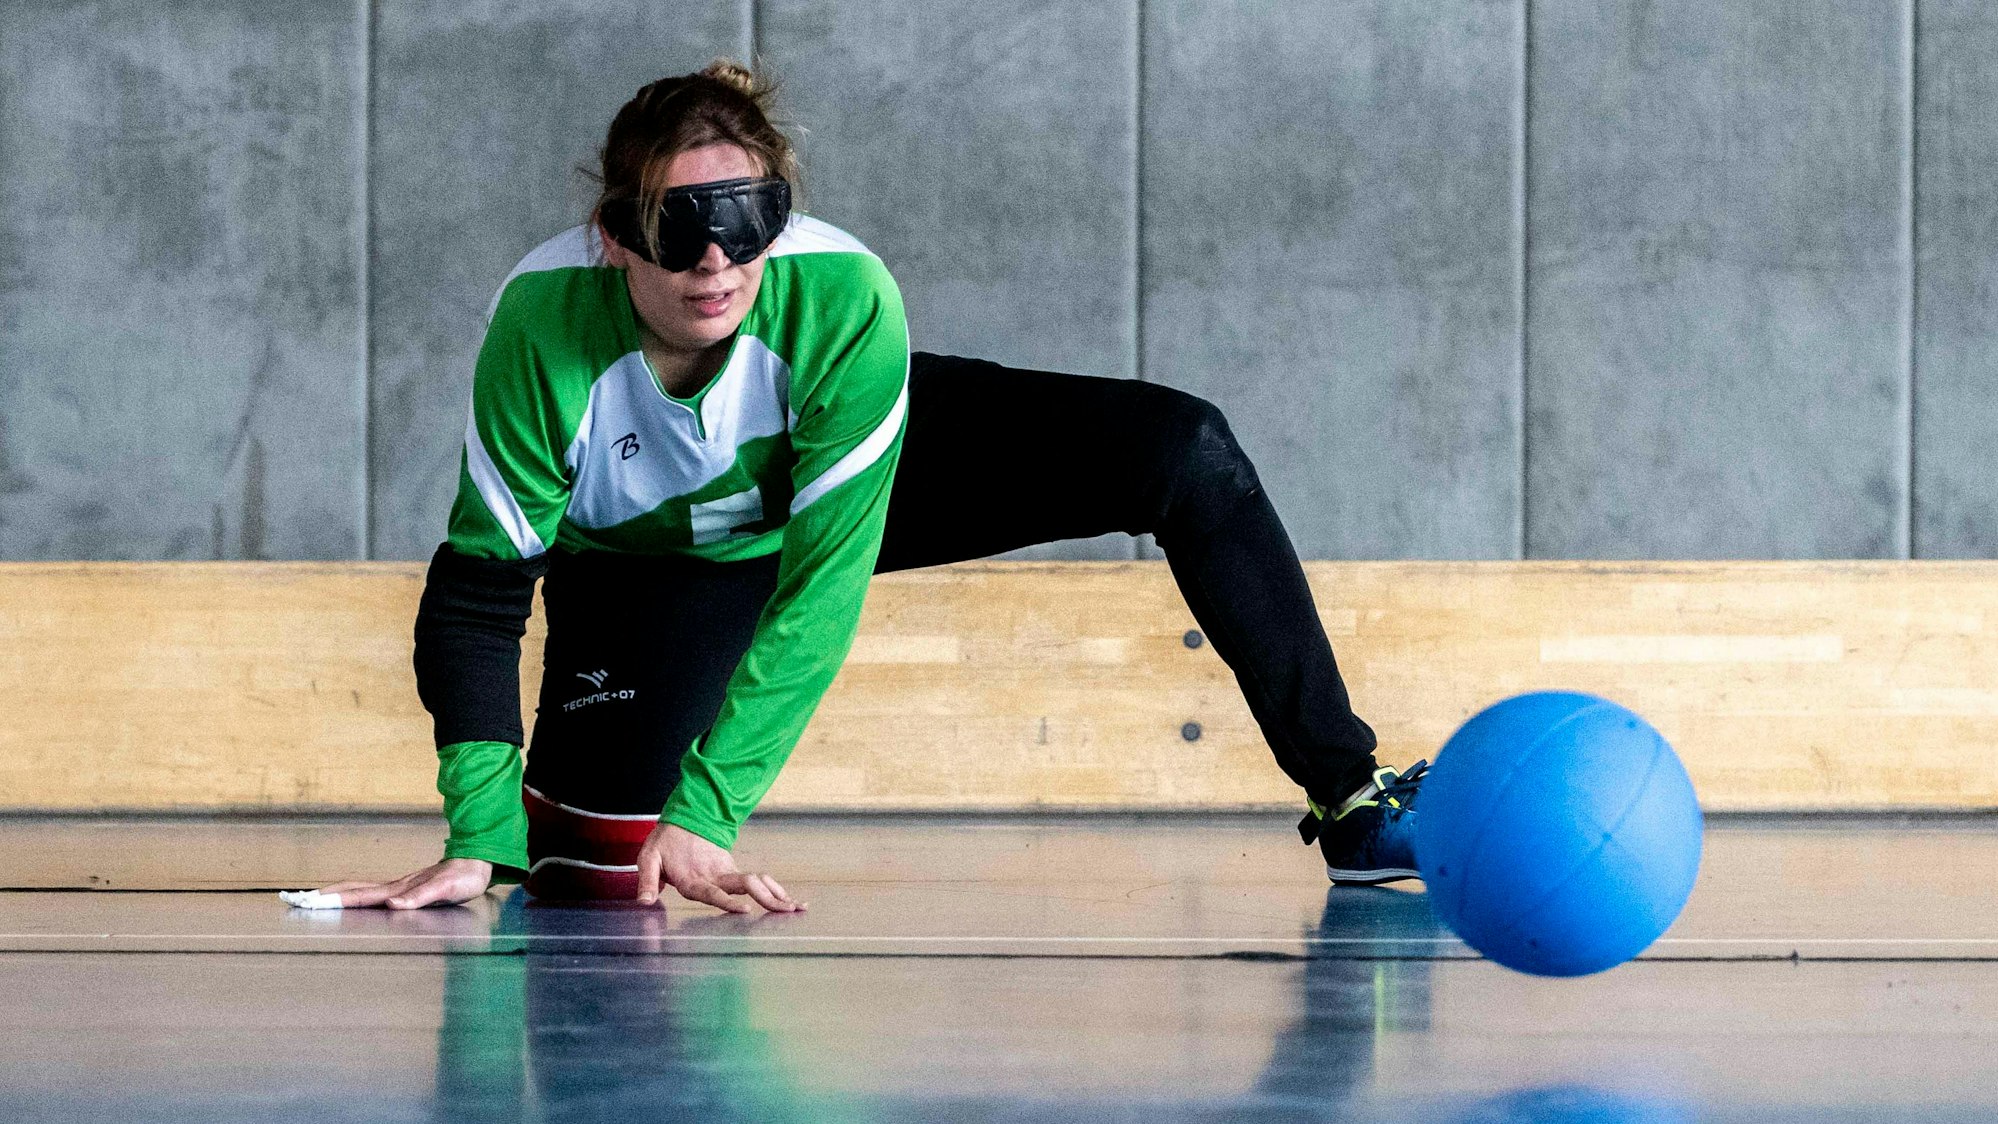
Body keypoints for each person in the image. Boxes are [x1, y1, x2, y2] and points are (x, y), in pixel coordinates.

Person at [298, 60, 1426, 914]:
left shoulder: (842, 299)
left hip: (821, 481)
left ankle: (1350, 796)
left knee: (1183, 448)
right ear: (612, 238)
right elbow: (482, 594)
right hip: (647, 562)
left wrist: (709, 805)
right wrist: (475, 834)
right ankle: (551, 816)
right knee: (589, 871)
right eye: (676, 233)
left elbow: (824, 582)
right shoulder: (541, 334)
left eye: (745, 229)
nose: (714, 266)